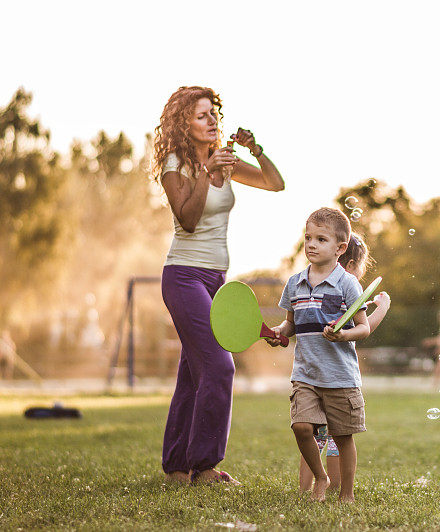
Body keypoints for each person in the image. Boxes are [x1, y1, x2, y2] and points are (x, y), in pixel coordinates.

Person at [152, 86, 285, 485]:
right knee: (219, 365)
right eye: (201, 116)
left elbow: (274, 184)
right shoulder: (175, 164)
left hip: (216, 279)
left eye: (213, 114)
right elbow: (188, 220)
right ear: (183, 124)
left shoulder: (222, 159)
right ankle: (205, 467)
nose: (211, 122)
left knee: (193, 373)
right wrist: (208, 177)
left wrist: (256, 150)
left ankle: (177, 468)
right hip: (183, 276)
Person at [266, 208, 371, 502]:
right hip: (306, 374)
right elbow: (290, 323)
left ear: (339, 249)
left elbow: (363, 328)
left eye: (321, 239)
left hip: (339, 375)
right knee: (301, 426)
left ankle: (346, 493)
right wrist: (279, 333)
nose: (311, 244)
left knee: (342, 436)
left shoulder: (348, 283)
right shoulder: (294, 283)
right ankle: (321, 477)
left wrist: (344, 334)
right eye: (308, 237)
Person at [296, 232, 390, 494]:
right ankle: (334, 485)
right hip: (336, 377)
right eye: (359, 270)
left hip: (313, 374)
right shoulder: (343, 291)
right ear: (349, 267)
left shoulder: (317, 288)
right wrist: (383, 307)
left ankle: (307, 488)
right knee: (338, 436)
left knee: (313, 436)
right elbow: (364, 327)